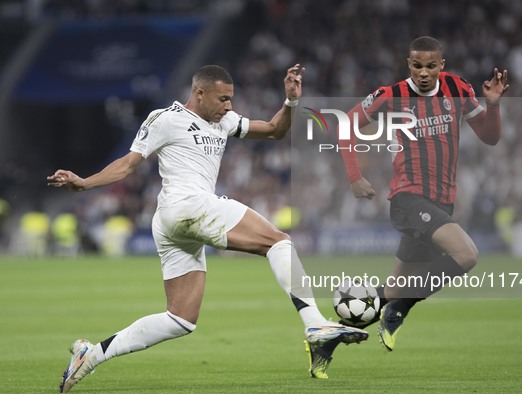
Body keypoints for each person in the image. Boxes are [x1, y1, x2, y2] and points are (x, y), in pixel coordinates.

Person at [48, 64, 368, 392]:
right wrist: (85, 183)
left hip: (172, 223)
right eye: (223, 99)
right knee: (278, 241)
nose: (229, 106)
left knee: (180, 318)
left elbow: (274, 131)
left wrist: (289, 102)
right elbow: (128, 164)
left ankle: (91, 355)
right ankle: (315, 325)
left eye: (231, 99)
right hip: (187, 206)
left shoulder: (224, 121)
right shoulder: (165, 118)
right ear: (199, 93)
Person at [338, 36, 509, 350]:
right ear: (409, 64)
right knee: (467, 254)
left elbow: (490, 137)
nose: (424, 72)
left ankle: (328, 337)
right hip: (408, 198)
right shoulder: (391, 96)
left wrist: (493, 106)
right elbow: (347, 123)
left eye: (431, 65)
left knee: (393, 290)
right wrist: (354, 176)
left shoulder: (458, 89)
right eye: (417, 65)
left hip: (442, 202)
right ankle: (399, 312)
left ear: (441, 64)